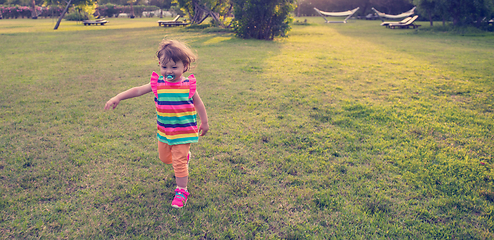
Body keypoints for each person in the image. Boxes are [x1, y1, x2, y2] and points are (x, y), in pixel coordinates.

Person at [104, 40, 209, 208]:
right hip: (165, 132)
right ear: (160, 65)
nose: (169, 71)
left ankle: (182, 190)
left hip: (184, 132)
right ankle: (184, 157)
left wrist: (204, 122)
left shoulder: (187, 85)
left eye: (174, 67)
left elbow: (199, 104)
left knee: (179, 163)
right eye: (165, 67)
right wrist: (118, 97)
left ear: (185, 67)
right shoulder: (158, 84)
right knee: (165, 158)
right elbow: (138, 90)